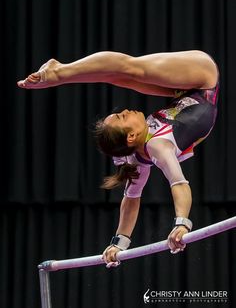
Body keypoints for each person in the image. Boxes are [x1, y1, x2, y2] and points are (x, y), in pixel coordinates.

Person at [17, 50, 219, 267]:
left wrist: (119, 242)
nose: (125, 110)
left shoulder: (136, 155)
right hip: (203, 78)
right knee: (129, 69)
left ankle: (59, 71)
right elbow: (176, 185)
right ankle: (59, 73)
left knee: (120, 77)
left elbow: (131, 199)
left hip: (188, 90)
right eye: (123, 117)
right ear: (131, 136)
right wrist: (181, 224)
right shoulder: (156, 147)